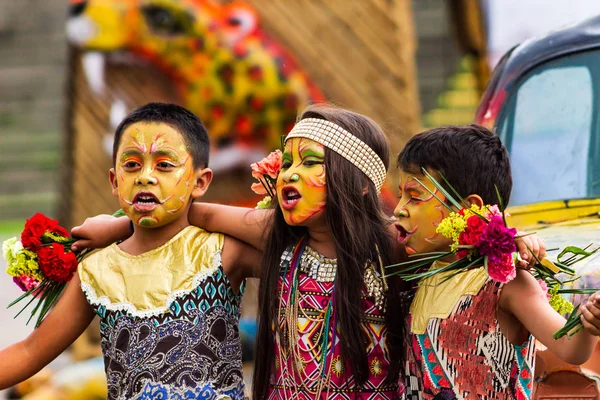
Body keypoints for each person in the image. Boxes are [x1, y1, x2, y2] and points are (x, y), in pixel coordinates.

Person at [71, 106, 546, 399]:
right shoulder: (276, 238)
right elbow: (194, 211)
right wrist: (117, 225)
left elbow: (459, 238)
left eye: (310, 163)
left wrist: (510, 238)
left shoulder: (394, 248)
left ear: (358, 184)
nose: (289, 174)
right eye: (288, 161)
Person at [0, 103, 260, 400]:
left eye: (164, 165)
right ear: (114, 181)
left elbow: (290, 240)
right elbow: (30, 350)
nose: (145, 176)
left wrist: (195, 214)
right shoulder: (96, 271)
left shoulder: (221, 252)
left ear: (200, 182)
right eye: (132, 164)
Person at [396, 125, 600, 399]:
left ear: (468, 208)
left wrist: (590, 323)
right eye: (400, 195)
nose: (398, 208)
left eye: (414, 197)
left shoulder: (505, 281)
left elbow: (570, 348)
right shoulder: (425, 271)